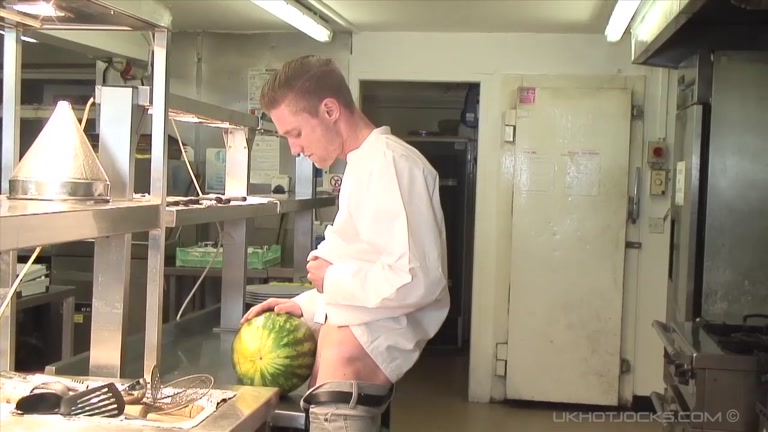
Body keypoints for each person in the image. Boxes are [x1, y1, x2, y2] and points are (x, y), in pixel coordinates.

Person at [240, 55, 449, 432]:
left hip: (349, 395)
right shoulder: (362, 166)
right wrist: (306, 304)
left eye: (296, 133)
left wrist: (330, 281)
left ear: (330, 110)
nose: (294, 149)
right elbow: (371, 268)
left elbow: (416, 280)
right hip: (339, 393)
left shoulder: (390, 164)